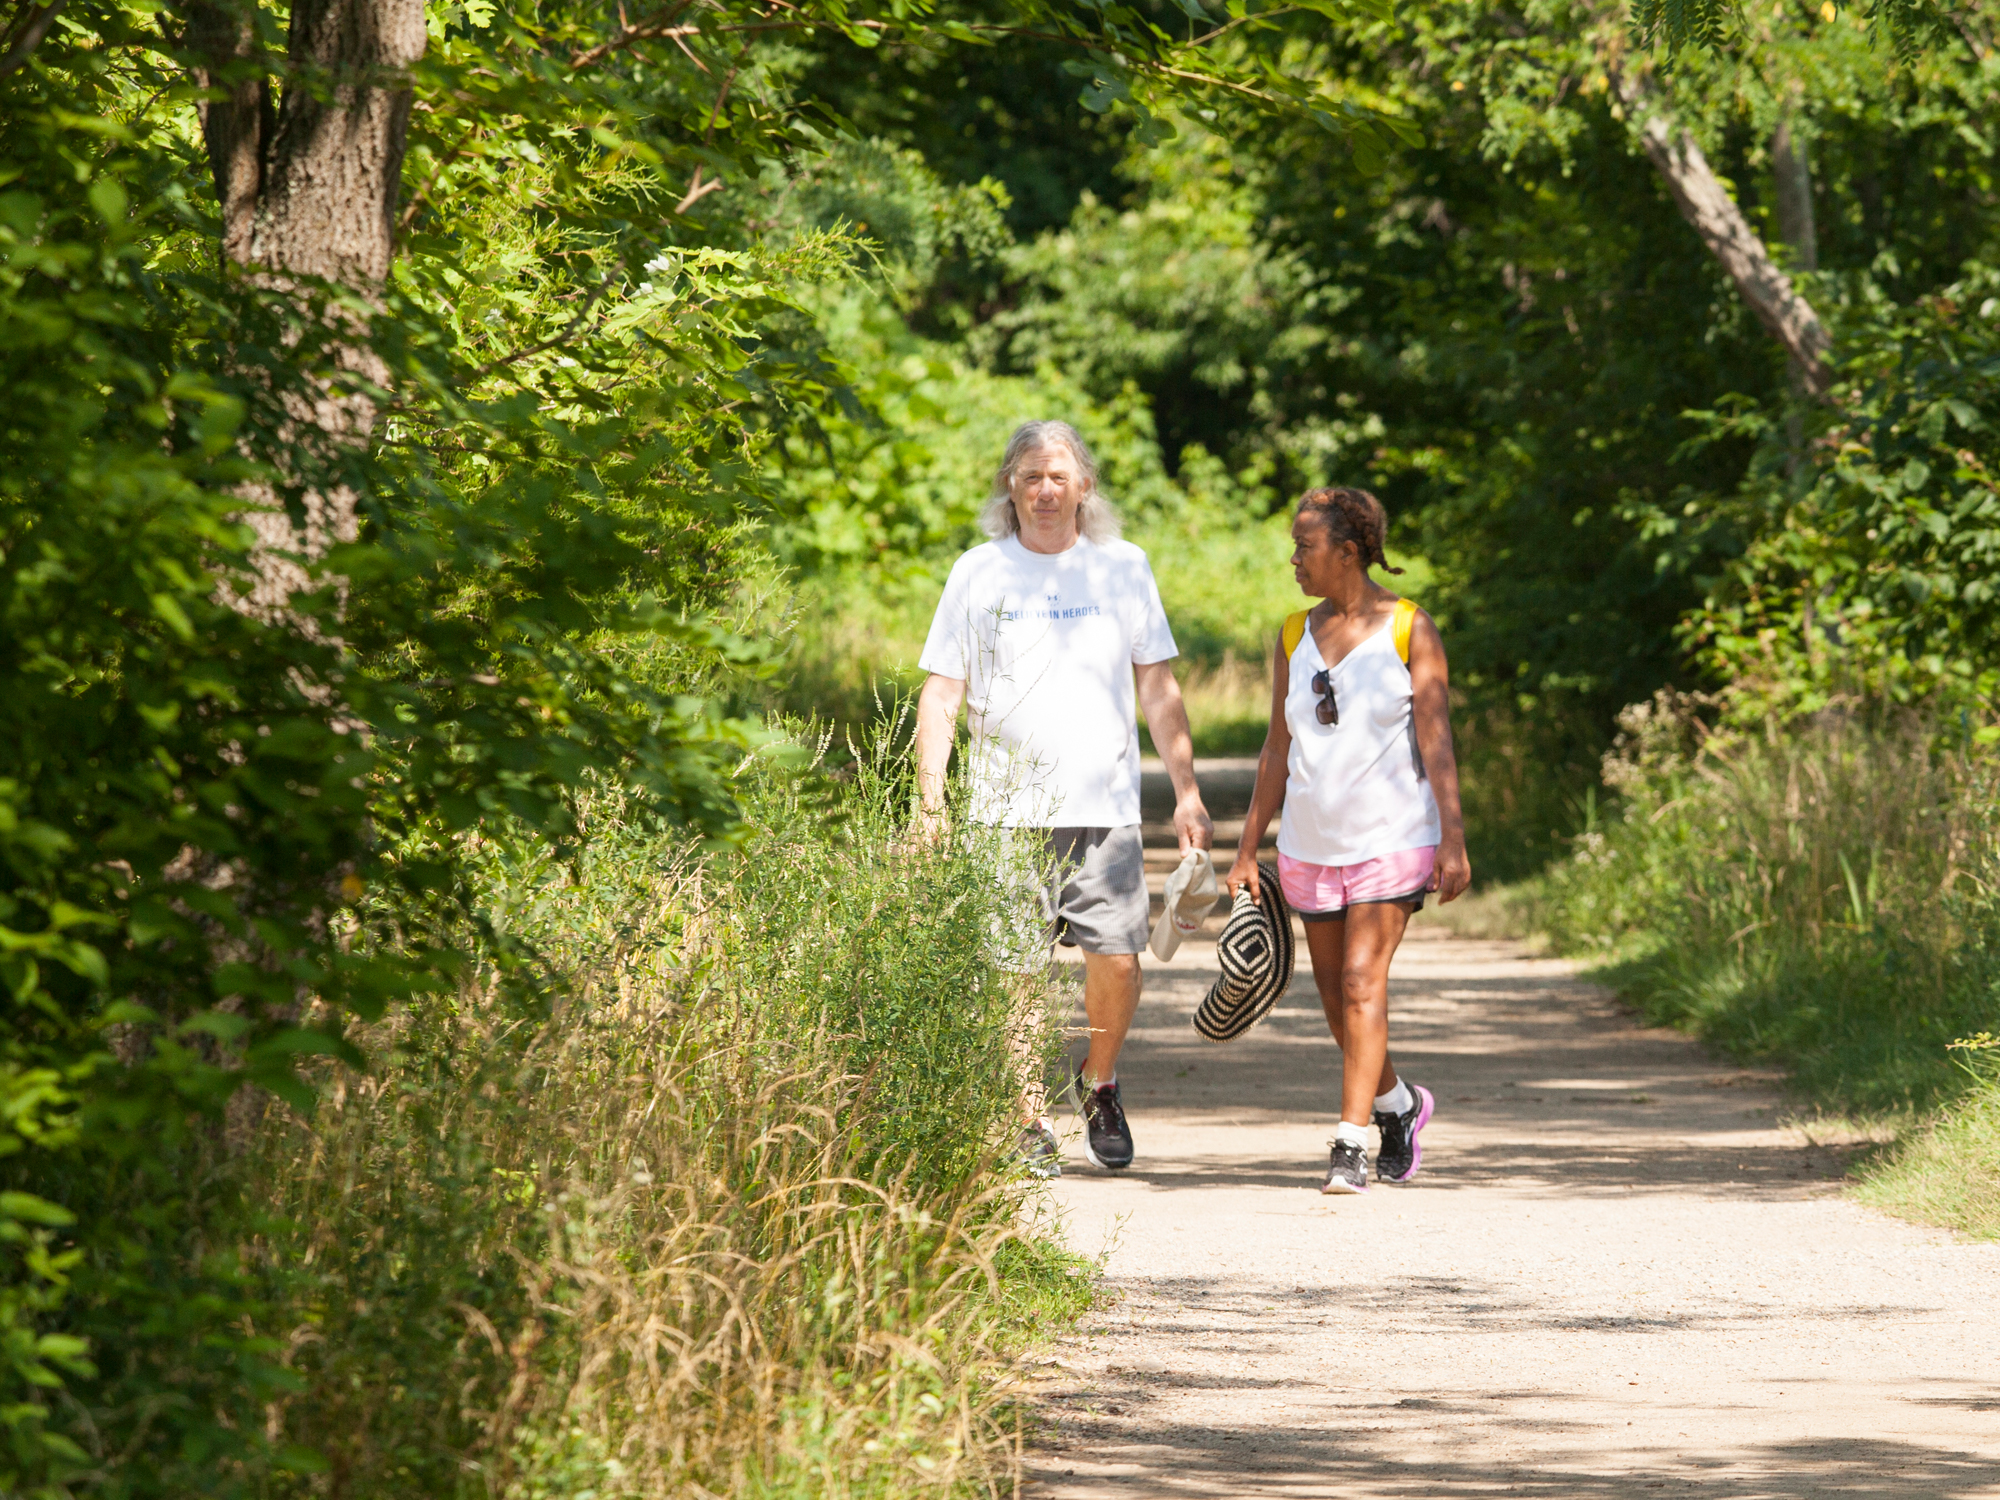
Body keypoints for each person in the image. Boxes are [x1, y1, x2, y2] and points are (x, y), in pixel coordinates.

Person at [914, 420, 1213, 1177]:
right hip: (1001, 810)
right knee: (1012, 970)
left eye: (1058, 477)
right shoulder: (977, 573)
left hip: (1105, 806)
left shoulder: (1123, 568)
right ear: (1009, 488)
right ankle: (1026, 1119)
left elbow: (1157, 683)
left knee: (1119, 961)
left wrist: (1186, 791)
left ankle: (1098, 1081)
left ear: (1083, 486)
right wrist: (930, 802)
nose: (1044, 491)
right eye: (1029, 477)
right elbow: (942, 691)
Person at [1226, 487, 1471, 1194]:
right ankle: (1398, 1104)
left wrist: (1452, 838)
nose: (1294, 560)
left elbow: (1437, 743)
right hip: (1310, 842)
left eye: (1305, 547)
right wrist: (1247, 849)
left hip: (1392, 837)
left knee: (1365, 982)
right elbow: (1277, 749)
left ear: (1349, 552)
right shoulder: (1293, 634)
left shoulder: (1409, 629)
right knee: (1338, 1001)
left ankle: (1349, 1144)